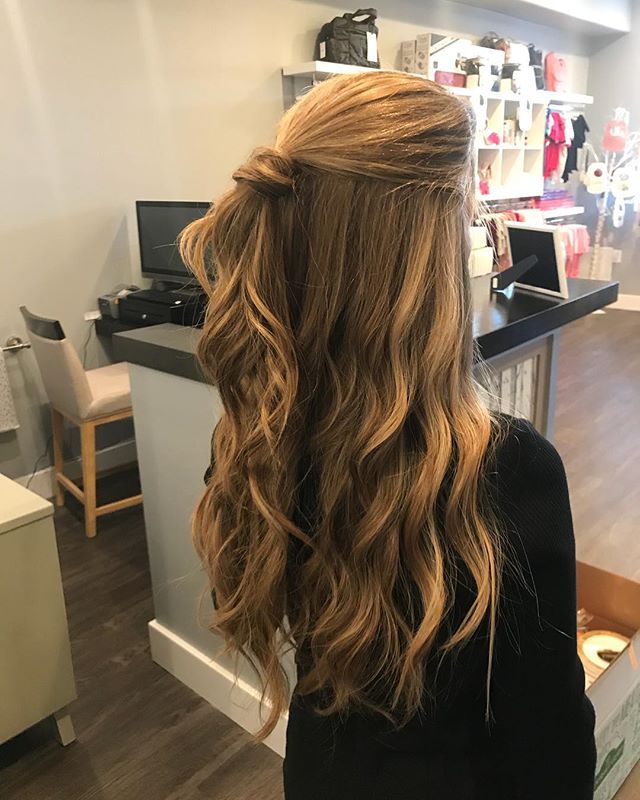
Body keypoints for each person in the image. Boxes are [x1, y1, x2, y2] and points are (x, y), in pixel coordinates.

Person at [180, 72, 596, 800]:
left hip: (319, 774)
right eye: (466, 218)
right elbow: (549, 743)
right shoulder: (511, 471)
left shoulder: (254, 437)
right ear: (429, 254)